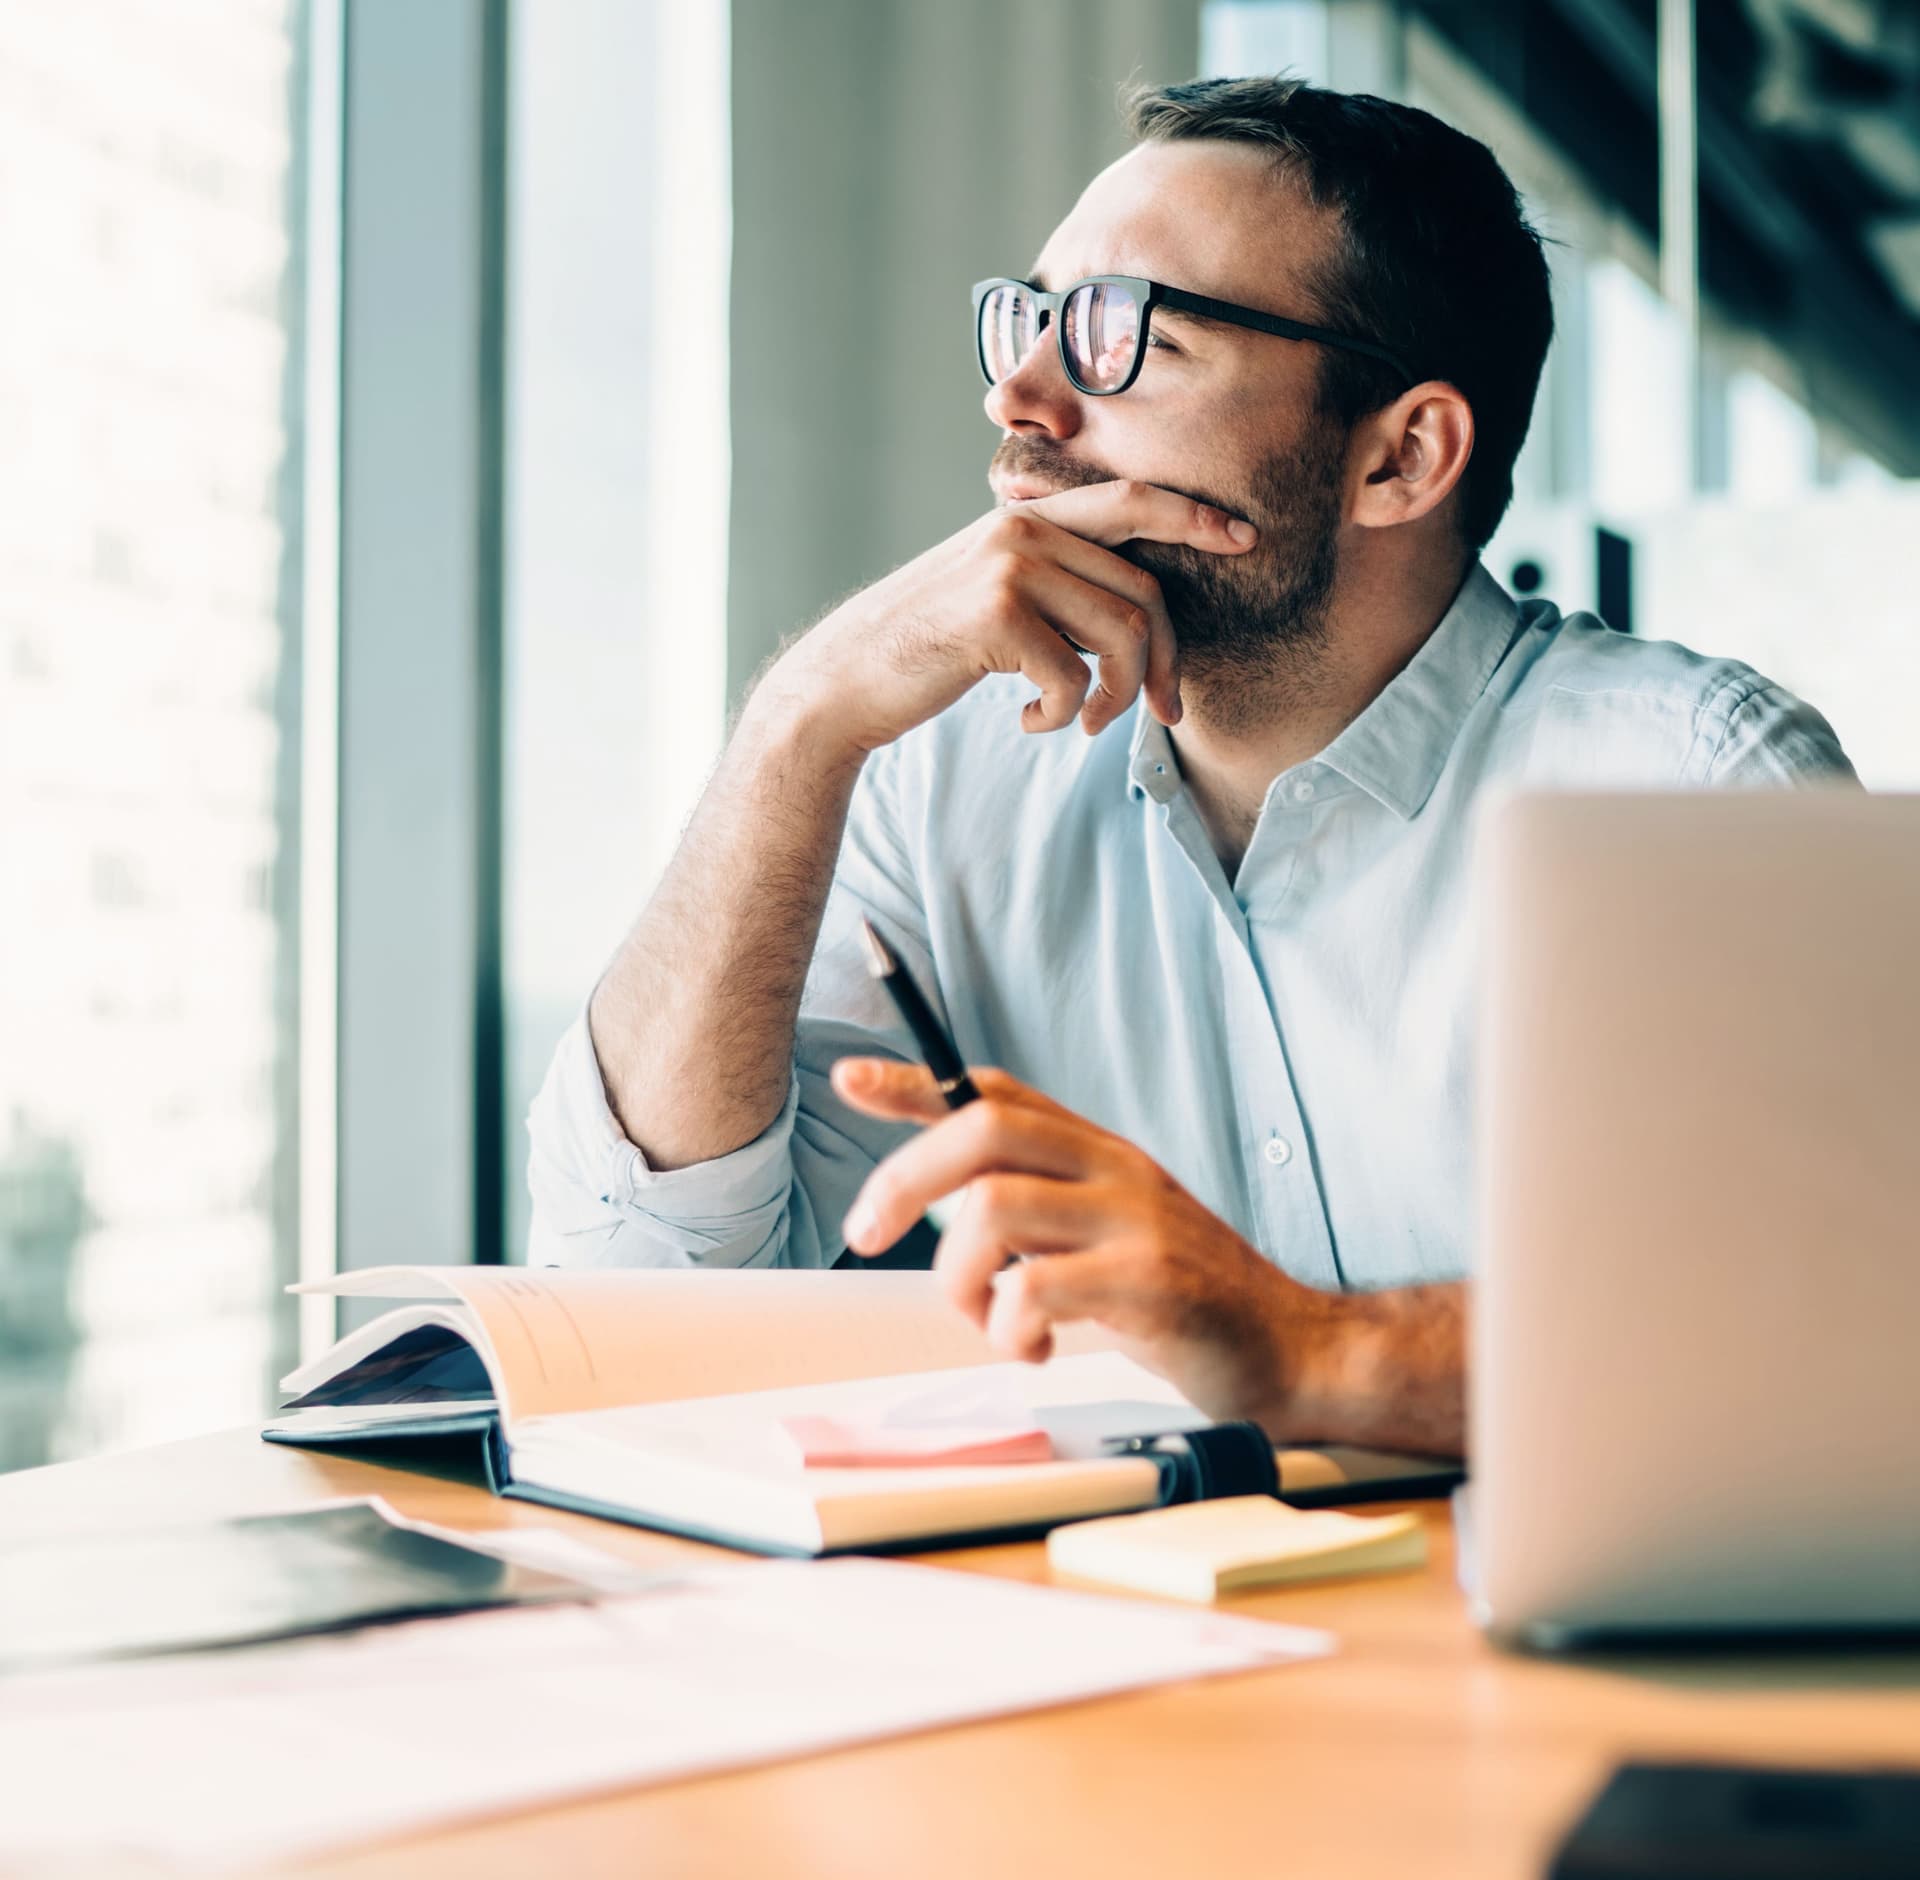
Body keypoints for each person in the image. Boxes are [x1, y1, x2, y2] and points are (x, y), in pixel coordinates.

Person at [527, 77, 1850, 1456]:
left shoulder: (1694, 787)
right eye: (1032, 316)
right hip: (1106, 1642)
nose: (1020, 394)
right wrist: (796, 722)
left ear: (1399, 457)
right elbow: (637, 1284)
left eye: (1120, 335)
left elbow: (1825, 1346)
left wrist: (1300, 1347)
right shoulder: (934, 782)